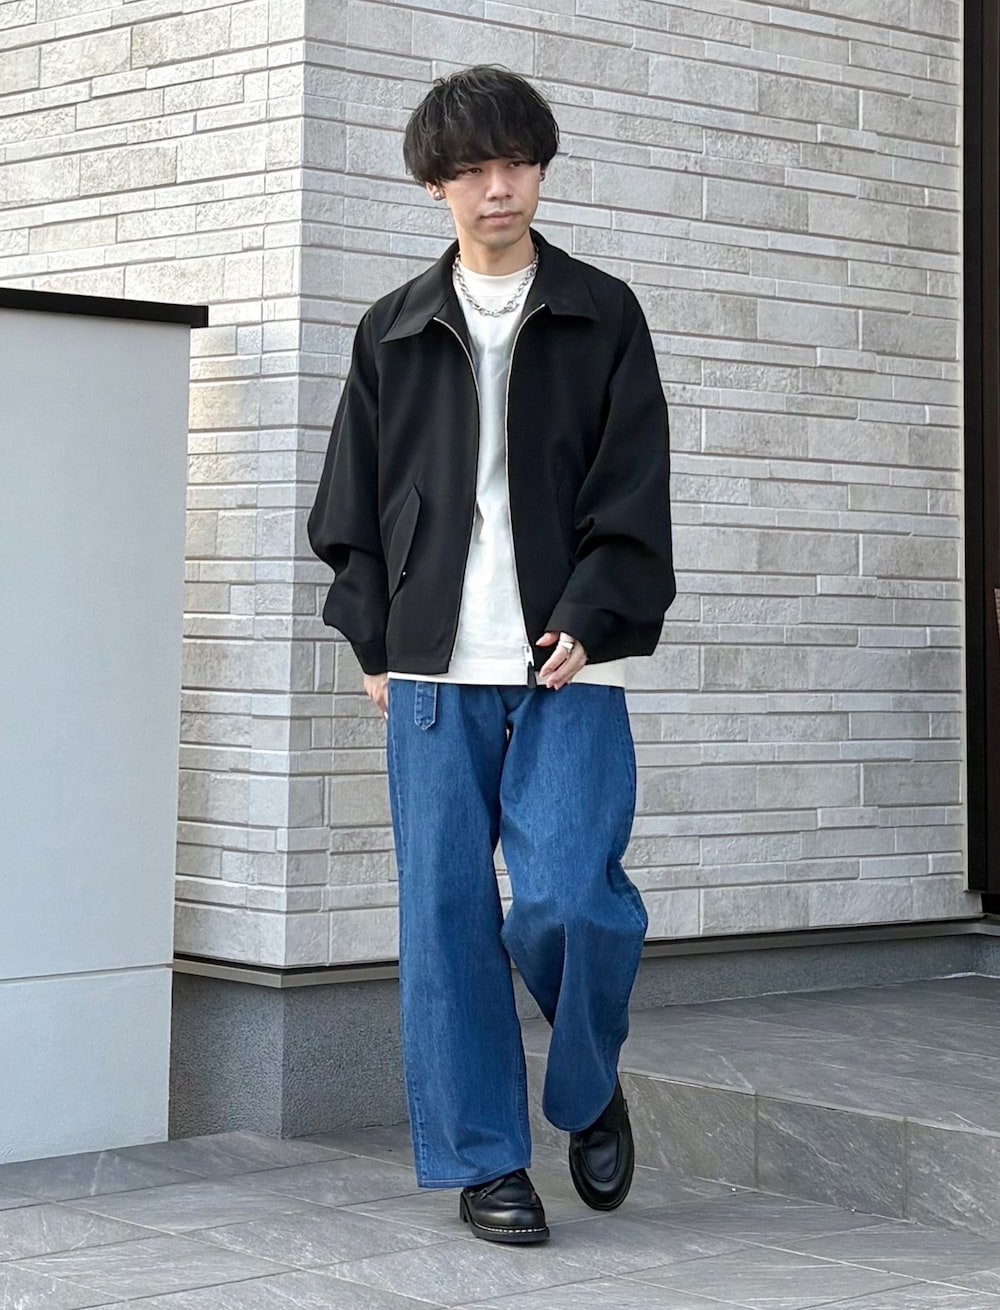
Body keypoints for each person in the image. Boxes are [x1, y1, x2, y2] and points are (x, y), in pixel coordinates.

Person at [308, 64, 674, 1245]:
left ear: (540, 171)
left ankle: (587, 1081)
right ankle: (486, 1162)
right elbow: (352, 501)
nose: (497, 187)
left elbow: (633, 485)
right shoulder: (392, 328)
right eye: (470, 169)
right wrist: (373, 638)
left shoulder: (602, 312)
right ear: (435, 185)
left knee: (570, 896)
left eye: (514, 163)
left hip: (567, 659)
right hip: (429, 667)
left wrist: (594, 611)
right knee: (447, 915)